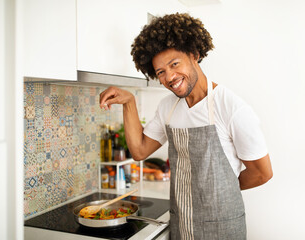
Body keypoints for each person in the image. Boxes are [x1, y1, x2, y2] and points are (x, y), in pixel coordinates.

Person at [99, 13, 273, 240]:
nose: (170, 76)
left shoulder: (231, 107)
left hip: (222, 228)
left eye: (174, 64)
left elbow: (262, 173)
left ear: (194, 54)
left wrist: (217, 195)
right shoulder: (167, 108)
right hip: (182, 226)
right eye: (160, 72)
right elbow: (140, 151)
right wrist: (129, 101)